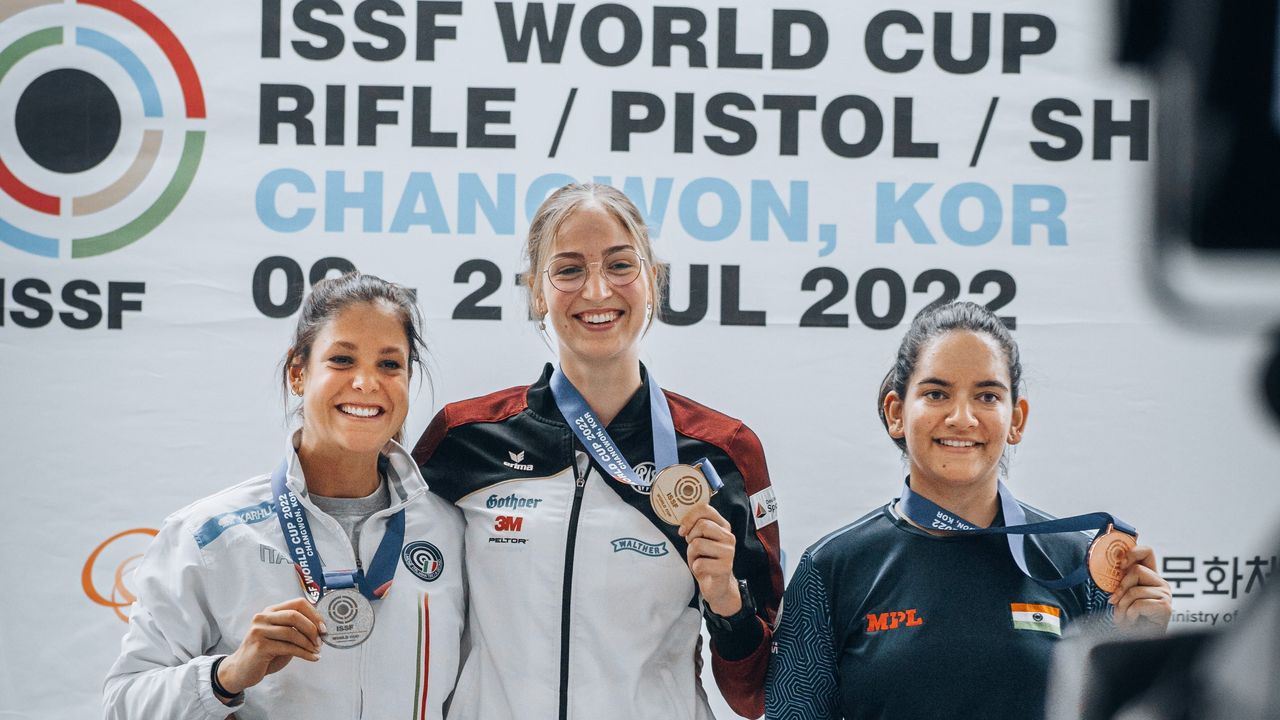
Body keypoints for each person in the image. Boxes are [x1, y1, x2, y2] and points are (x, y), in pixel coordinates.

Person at [412, 182, 783, 719]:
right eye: (568, 270)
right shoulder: (465, 439)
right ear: (538, 293)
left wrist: (727, 601)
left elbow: (756, 694)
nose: (596, 291)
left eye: (619, 265)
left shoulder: (721, 452)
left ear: (652, 280)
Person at [765, 301, 1173, 720]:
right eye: (936, 394)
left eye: (987, 396)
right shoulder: (832, 568)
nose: (962, 418)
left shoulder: (1079, 564)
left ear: (1016, 419)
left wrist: (1141, 644)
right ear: (896, 413)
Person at [103, 273, 465, 720]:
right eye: (342, 359)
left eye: (390, 365)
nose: (367, 383)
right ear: (298, 372)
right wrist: (226, 676)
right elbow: (124, 702)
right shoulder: (209, 535)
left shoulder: (451, 530)